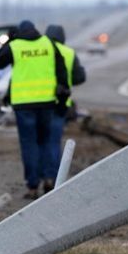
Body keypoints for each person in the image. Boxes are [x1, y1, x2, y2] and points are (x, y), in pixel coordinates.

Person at [0, 20, 69, 199]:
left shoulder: (16, 46)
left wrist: (9, 41)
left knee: (29, 144)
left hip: (24, 104)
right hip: (47, 102)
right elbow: (62, 69)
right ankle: (49, 177)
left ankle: (33, 185)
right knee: (46, 141)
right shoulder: (48, 43)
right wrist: (63, 93)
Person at [45, 25, 86, 190]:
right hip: (60, 104)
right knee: (54, 142)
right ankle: (53, 179)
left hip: (41, 104)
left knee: (40, 142)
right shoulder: (69, 52)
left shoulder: (41, 50)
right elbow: (80, 77)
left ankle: (40, 177)